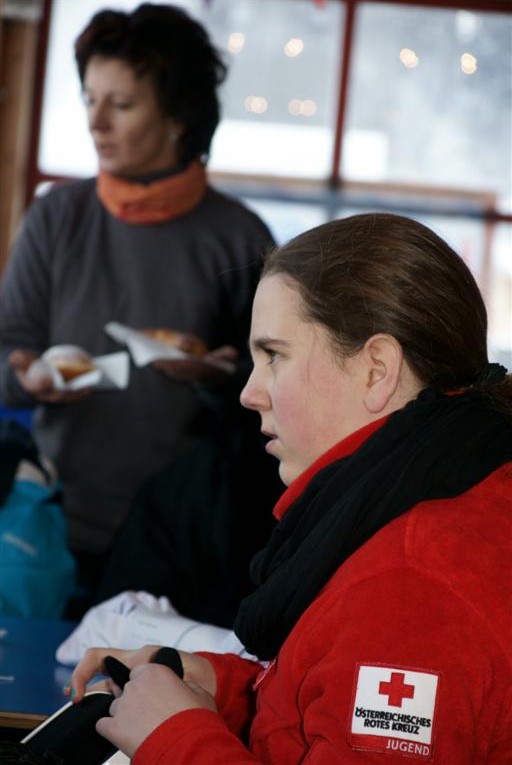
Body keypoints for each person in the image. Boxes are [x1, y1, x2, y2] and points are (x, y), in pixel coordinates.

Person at [69, 213, 512, 764]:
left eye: (274, 355)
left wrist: (176, 737)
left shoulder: (411, 584)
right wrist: (219, 685)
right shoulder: (439, 494)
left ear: (376, 369)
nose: (249, 393)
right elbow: (330, 709)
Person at [0, 3, 273, 589]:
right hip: (47, 520)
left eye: (120, 105)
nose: (96, 123)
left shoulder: (239, 237)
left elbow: (276, 389)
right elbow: (7, 353)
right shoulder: (56, 216)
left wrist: (220, 378)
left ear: (177, 117)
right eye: (89, 100)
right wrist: (26, 377)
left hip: (186, 537)